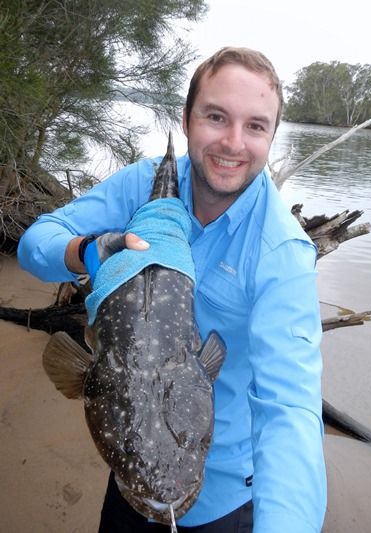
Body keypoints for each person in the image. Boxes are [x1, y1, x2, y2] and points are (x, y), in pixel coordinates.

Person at [18, 47, 327, 532]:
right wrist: (87, 252)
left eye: (255, 125)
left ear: (271, 136)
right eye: (216, 116)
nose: (232, 142)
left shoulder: (280, 253)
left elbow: (291, 411)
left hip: (222, 493)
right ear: (186, 120)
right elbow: (35, 244)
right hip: (131, 465)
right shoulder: (142, 185)